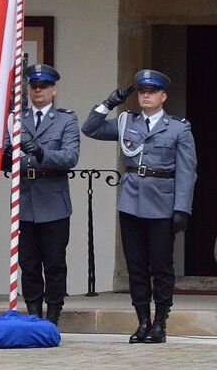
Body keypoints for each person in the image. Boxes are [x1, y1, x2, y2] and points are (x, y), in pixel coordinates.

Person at [81, 69, 197, 344]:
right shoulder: (126, 122)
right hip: (132, 202)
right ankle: (142, 320)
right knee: (136, 266)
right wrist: (108, 103)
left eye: (151, 92)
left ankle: (161, 322)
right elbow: (90, 129)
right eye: (142, 92)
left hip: (162, 203)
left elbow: (187, 171)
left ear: (163, 96)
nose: (146, 95)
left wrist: (182, 208)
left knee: (161, 266)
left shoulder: (178, 127)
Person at [4, 64, 80, 326]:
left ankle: (54, 313)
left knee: (55, 262)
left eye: (43, 87)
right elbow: (5, 154)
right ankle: (34, 312)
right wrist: (4, 155)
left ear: (53, 90)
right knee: (29, 262)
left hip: (53, 198)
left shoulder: (65, 120)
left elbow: (70, 156)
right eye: (34, 86)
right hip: (25, 198)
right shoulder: (17, 119)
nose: (38, 90)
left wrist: (41, 153)